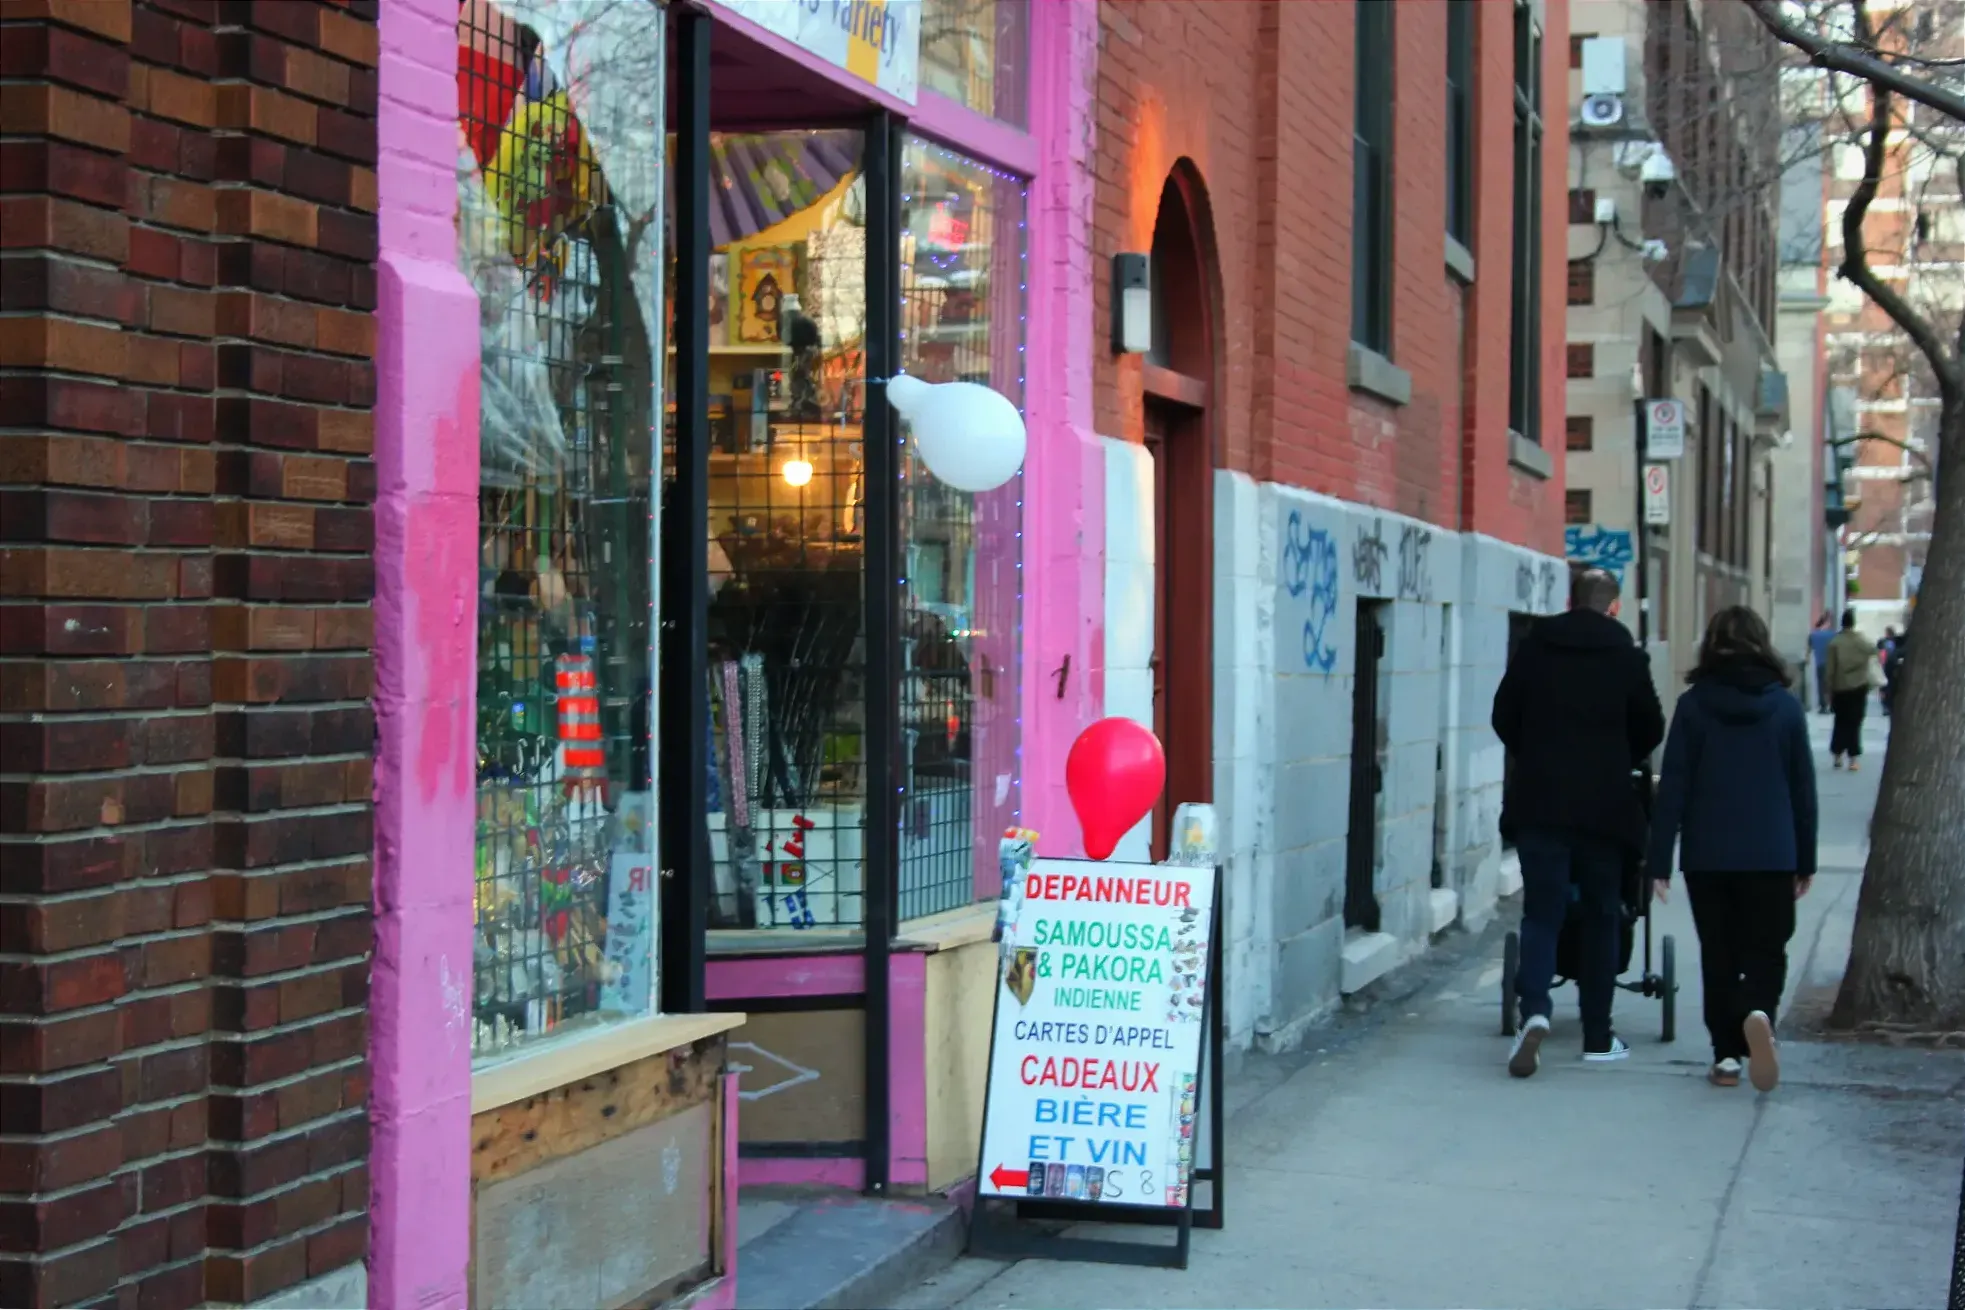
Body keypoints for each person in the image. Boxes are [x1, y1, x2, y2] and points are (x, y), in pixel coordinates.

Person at [1493, 567, 1666, 1076]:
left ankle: (1535, 1012)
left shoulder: (1536, 648)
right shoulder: (1627, 657)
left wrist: (1535, 754)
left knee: (1541, 913)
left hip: (1541, 802)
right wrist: (1618, 758)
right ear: (1615, 606)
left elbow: (1504, 715)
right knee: (1602, 914)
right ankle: (1597, 1034)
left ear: (1569, 601)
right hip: (1604, 808)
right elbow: (1651, 726)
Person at [1646, 606, 1817, 1092]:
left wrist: (1659, 859)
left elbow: (1674, 785)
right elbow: (1802, 789)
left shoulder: (1694, 705)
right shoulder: (1785, 707)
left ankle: (1726, 1056)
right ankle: (1758, 1011)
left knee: (1718, 953)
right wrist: (1805, 859)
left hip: (1709, 853)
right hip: (1772, 850)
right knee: (1768, 948)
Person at [1824, 609, 1876, 769]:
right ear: (1853, 623)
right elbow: (1873, 650)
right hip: (1859, 687)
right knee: (1855, 722)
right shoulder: (1861, 641)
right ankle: (1853, 759)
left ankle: (1837, 756)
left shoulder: (1835, 643)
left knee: (1840, 721)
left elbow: (1830, 669)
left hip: (1840, 687)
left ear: (1842, 623)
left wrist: (1828, 689)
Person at [1807, 613, 1835, 715]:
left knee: (1821, 685)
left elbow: (1809, 650)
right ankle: (1832, 706)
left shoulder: (1813, 635)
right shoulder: (1833, 634)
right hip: (1832, 664)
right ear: (1827, 622)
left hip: (1820, 664)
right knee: (1832, 685)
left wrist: (1807, 659)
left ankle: (1823, 707)